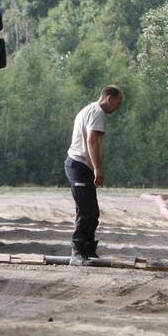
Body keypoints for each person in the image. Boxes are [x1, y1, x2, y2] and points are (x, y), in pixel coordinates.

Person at [64, 85, 125, 264]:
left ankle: (88, 251)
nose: (118, 107)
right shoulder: (97, 112)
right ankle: (77, 253)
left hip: (81, 166)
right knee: (86, 211)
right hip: (79, 165)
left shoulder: (90, 110)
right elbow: (91, 140)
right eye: (118, 102)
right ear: (109, 98)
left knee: (92, 211)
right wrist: (98, 168)